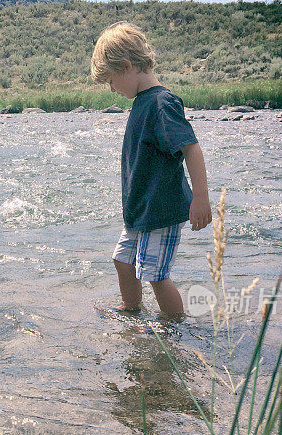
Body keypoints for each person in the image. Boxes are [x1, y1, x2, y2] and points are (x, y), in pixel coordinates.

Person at [91, 21, 212, 316]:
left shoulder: (161, 103)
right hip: (141, 209)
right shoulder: (143, 102)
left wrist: (201, 198)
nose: (111, 88)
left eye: (110, 80)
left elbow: (191, 148)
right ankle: (131, 309)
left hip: (161, 209)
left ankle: (174, 326)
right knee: (123, 261)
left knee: (155, 274)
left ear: (127, 67)